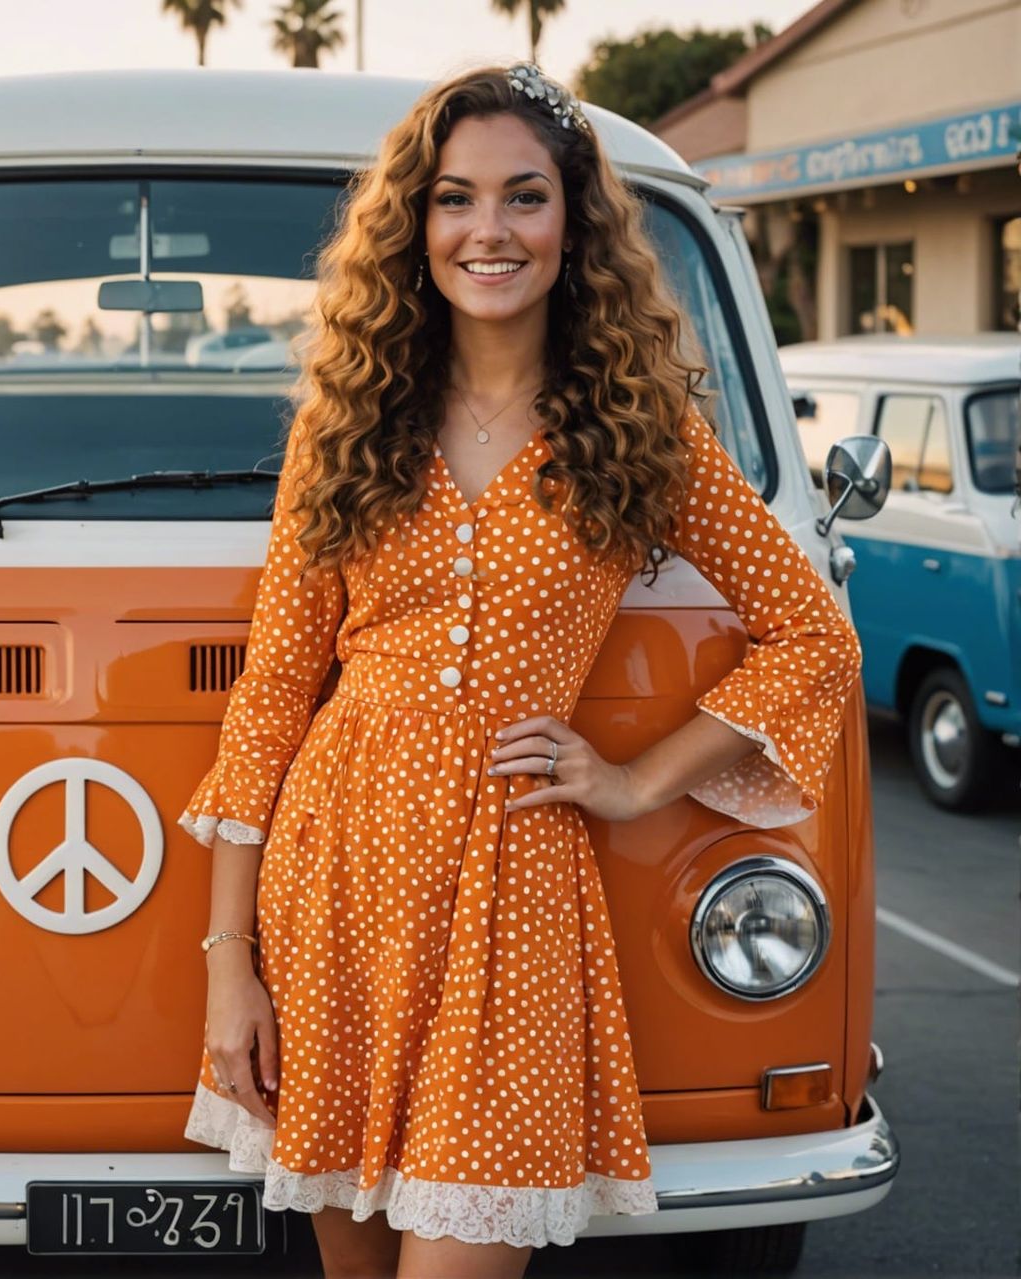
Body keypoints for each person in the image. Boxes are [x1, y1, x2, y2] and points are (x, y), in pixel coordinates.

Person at [176, 63, 864, 1279]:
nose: (486, 231)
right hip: (333, 881)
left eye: (522, 197)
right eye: (454, 199)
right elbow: (274, 691)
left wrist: (641, 780)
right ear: (416, 224)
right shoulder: (344, 420)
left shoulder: (637, 425)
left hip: (514, 892)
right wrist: (229, 966)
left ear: (573, 221)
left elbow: (815, 635)